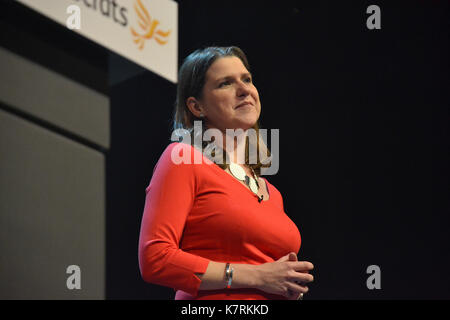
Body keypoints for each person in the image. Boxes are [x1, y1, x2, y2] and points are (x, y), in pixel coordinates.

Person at [138, 46, 314, 300]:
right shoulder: (183, 159)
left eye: (247, 79)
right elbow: (155, 259)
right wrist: (258, 276)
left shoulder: (271, 192)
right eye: (225, 83)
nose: (245, 90)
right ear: (197, 107)